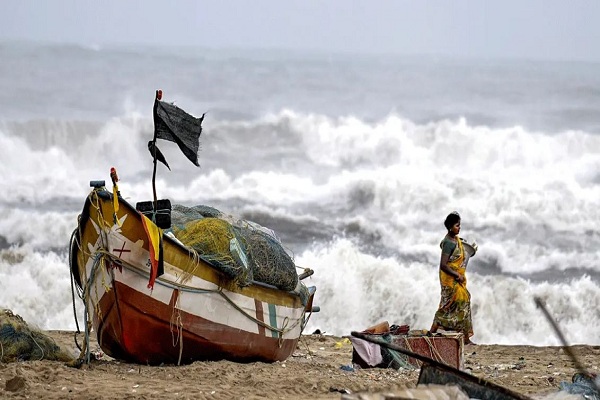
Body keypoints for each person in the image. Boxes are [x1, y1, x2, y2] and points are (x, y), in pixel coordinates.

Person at [429, 211, 476, 345]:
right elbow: (443, 265)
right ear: (450, 227)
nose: (459, 228)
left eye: (459, 225)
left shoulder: (456, 240)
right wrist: (456, 275)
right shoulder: (448, 243)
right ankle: (434, 328)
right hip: (449, 280)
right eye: (457, 226)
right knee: (447, 305)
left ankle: (465, 337)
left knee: (464, 300)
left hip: (456, 279)